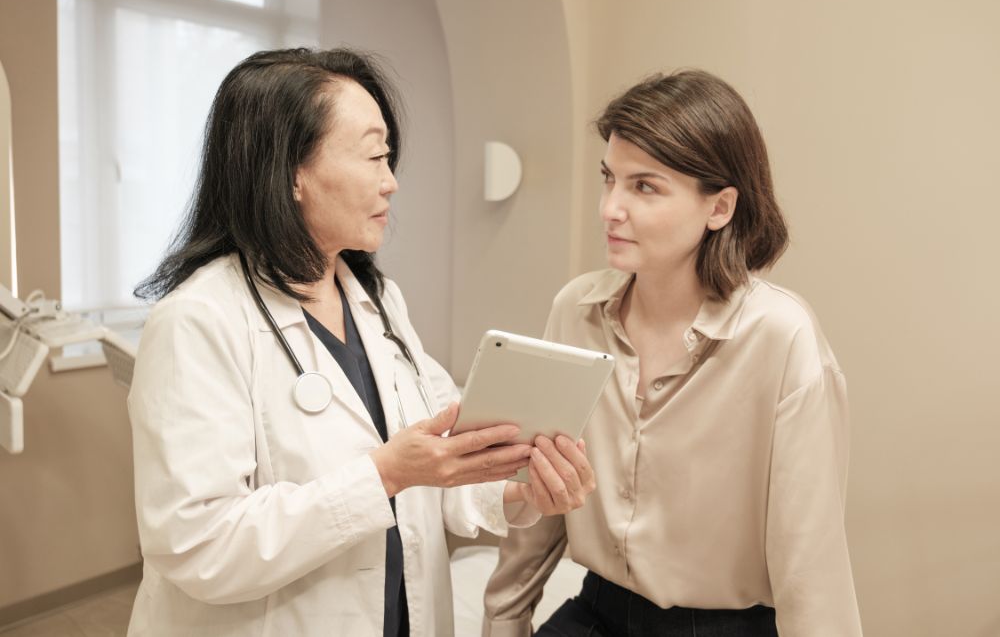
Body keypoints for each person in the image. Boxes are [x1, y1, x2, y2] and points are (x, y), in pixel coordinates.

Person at [126, 48, 595, 637]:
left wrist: (523, 486)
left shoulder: (378, 300)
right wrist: (383, 476)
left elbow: (441, 454)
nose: (391, 182)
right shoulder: (197, 321)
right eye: (375, 156)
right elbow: (197, 544)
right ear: (290, 173)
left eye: (389, 157)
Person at [483, 70, 863, 636]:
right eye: (609, 179)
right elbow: (538, 506)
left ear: (720, 208)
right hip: (594, 614)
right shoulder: (575, 310)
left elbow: (811, 569)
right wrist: (503, 623)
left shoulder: (782, 338)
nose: (610, 208)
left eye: (644, 187)